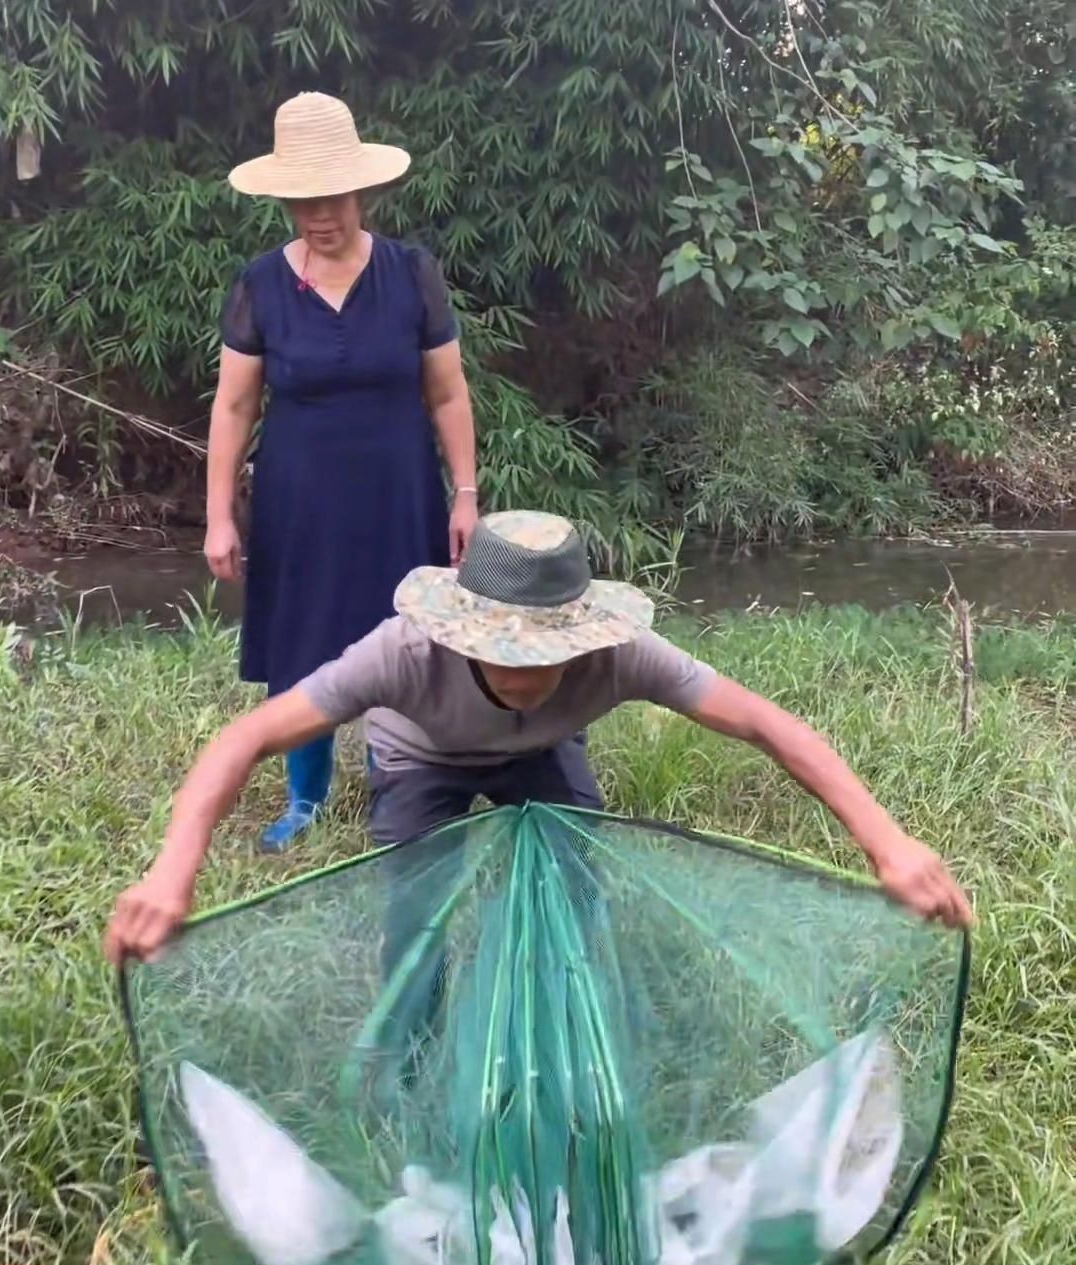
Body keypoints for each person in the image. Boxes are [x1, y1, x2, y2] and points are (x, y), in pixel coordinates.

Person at [106, 510, 972, 967]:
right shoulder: (402, 654)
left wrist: (889, 845)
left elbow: (769, 727)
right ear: (458, 630)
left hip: (541, 758)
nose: (519, 671)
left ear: (583, 634)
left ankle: (574, 1027)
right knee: (414, 920)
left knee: (575, 897)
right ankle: (401, 1062)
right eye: (497, 650)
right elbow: (244, 738)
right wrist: (171, 874)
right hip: (423, 758)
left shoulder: (621, 655)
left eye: (542, 652)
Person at [204, 91, 477, 853]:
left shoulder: (410, 272)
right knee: (305, 640)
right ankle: (306, 796)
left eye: (331, 199)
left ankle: (415, 779)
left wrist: (465, 495)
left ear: (361, 190)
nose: (319, 216)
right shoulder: (260, 285)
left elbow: (449, 393)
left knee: (413, 638)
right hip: (299, 498)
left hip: (399, 490)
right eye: (301, 202)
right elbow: (232, 409)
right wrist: (219, 513)